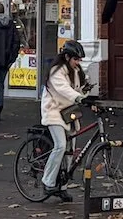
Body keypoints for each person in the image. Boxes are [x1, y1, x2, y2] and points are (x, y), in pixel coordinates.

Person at [38, 40, 94, 197]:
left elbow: (79, 90)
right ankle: (48, 181)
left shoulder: (75, 71)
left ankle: (62, 186)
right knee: (60, 146)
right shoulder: (57, 71)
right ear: (67, 57)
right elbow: (65, 90)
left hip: (69, 112)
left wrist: (87, 93)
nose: (78, 63)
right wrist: (80, 98)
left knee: (70, 151)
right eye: (76, 59)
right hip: (54, 112)